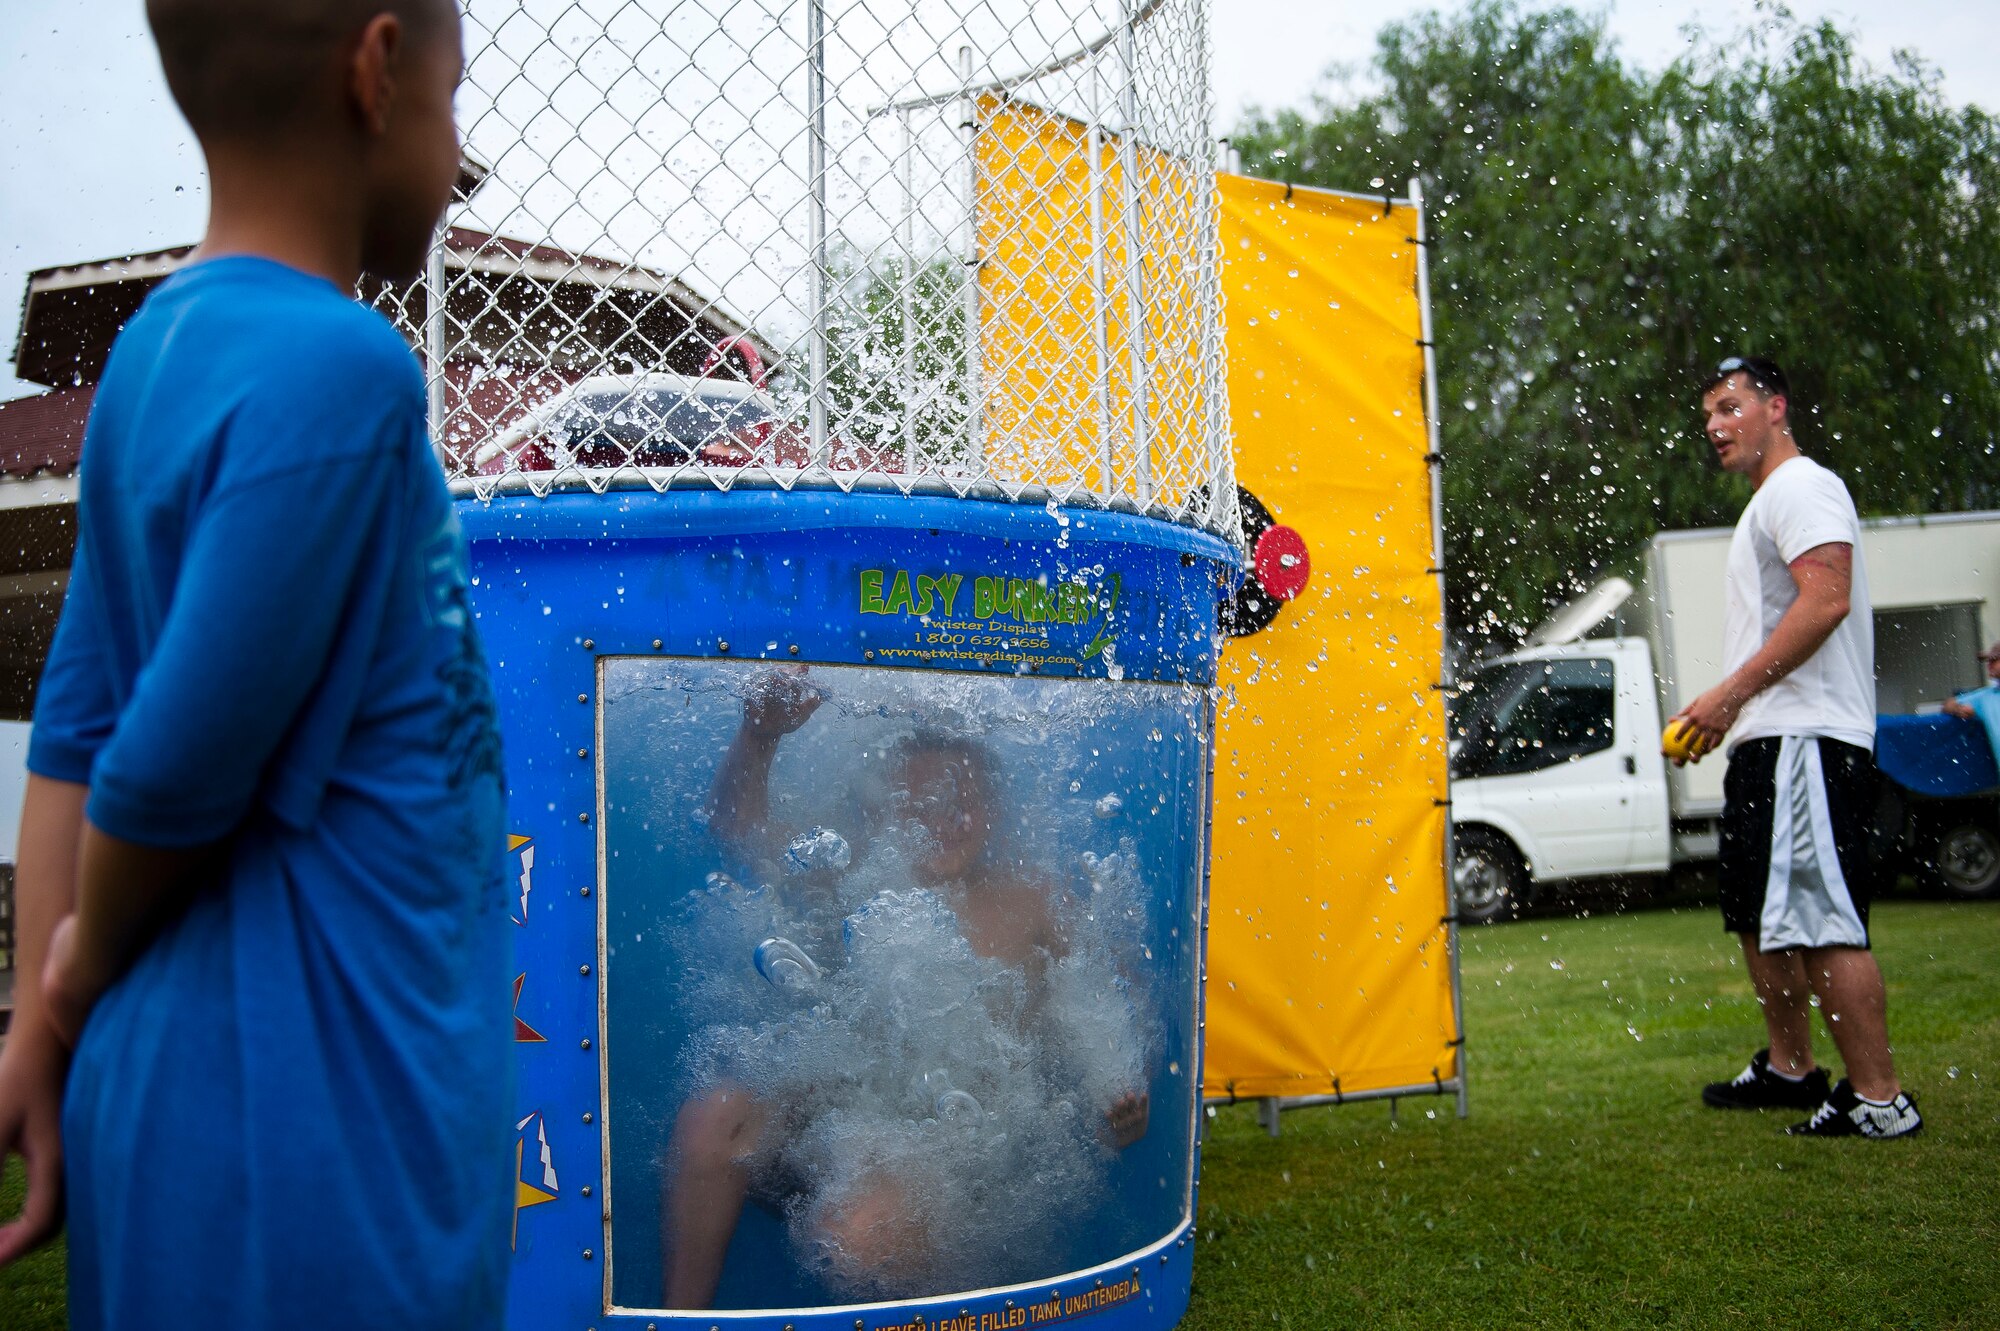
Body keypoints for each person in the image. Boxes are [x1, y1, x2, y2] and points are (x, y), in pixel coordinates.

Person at [0, 1, 516, 1324]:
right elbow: (169, 761)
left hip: (192, 1113)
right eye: (452, 100)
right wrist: (75, 964)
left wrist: (37, 1036)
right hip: (308, 1134)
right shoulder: (341, 370)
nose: (458, 153)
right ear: (377, 67)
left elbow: (72, 725)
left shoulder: (155, 353)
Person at [660, 667, 1150, 1307]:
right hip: (844, 1118)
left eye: (961, 800)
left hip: (960, 1154)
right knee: (711, 1119)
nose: (941, 818)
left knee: (860, 1226)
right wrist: (759, 736)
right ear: (886, 809)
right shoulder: (849, 870)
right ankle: (676, 1321)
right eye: (920, 802)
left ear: (992, 810)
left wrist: (1118, 1097)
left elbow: (1109, 1001)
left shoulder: (1033, 901)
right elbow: (737, 832)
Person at [1673, 356, 1921, 1139]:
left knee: (1820, 918)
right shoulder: (1764, 503)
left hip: (1807, 734)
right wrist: (1734, 713)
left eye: (1730, 406)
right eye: (1707, 413)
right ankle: (1792, 1068)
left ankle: (1880, 1099)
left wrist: (1727, 695)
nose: (1715, 424)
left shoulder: (1803, 486)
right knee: (1759, 915)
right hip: (1767, 737)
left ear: (1776, 406)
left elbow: (1828, 600)